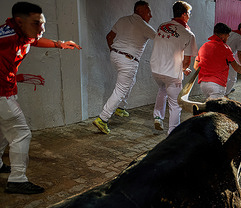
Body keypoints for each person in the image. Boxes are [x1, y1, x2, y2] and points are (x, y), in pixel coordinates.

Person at [0, 2, 81, 194]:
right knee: (21, 133)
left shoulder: (22, 33)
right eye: (37, 23)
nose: (42, 29)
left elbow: (34, 41)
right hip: (2, 94)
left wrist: (60, 44)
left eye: (42, 23)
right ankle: (17, 180)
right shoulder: (6, 38)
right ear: (20, 22)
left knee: (4, 131)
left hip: (7, 90)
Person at [93, 1, 156, 134]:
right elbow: (161, 40)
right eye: (148, 11)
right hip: (128, 60)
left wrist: (114, 51)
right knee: (120, 90)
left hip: (115, 56)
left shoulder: (122, 20)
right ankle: (102, 119)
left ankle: (120, 108)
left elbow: (109, 37)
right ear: (140, 11)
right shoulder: (144, 26)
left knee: (130, 82)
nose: (151, 15)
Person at [150, 1, 197, 134]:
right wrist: (182, 69)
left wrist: (180, 68)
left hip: (156, 69)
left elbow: (167, 49)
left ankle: (158, 116)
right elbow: (187, 62)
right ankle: (172, 134)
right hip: (171, 74)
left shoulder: (162, 26)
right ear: (183, 14)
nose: (189, 16)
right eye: (189, 13)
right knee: (176, 104)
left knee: (162, 89)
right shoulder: (188, 34)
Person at [194, 23, 241, 99]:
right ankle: (226, 94)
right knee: (217, 109)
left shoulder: (204, 46)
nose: (228, 38)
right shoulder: (226, 48)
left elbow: (196, 67)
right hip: (217, 86)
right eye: (227, 36)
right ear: (222, 36)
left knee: (209, 106)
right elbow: (236, 67)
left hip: (203, 85)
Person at [225, 22, 241, 94]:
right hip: (230, 60)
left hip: (221, 57)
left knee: (224, 76)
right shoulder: (240, 39)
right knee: (233, 78)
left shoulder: (229, 33)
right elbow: (239, 54)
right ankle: (225, 93)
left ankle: (225, 90)